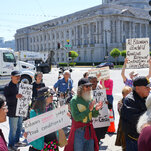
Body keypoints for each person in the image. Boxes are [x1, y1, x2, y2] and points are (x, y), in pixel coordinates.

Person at [64, 78, 103, 151]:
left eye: (90, 86)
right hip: (78, 132)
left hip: (89, 131)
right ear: (81, 88)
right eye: (87, 86)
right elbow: (76, 118)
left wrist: (96, 110)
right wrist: (89, 110)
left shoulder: (90, 98)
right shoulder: (74, 100)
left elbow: (94, 115)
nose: (89, 88)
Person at [121, 76, 151, 151]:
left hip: (143, 138)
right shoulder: (129, 100)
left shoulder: (146, 97)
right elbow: (139, 119)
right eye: (146, 87)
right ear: (137, 88)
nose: (149, 89)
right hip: (134, 140)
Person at [29, 87, 58, 151]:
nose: (52, 97)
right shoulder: (34, 112)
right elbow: (33, 129)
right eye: (50, 95)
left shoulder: (53, 107)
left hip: (52, 141)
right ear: (44, 98)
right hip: (41, 143)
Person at [4, 70, 24, 151]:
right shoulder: (7, 86)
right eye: (16, 76)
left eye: (19, 76)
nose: (18, 78)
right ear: (11, 77)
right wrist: (15, 97)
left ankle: (17, 141)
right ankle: (11, 145)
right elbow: (6, 99)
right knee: (13, 129)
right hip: (13, 111)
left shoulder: (20, 85)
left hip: (21, 110)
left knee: (19, 127)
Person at [89, 76, 108, 145]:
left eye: (96, 81)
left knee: (98, 137)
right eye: (93, 81)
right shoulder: (87, 90)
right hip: (90, 118)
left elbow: (104, 98)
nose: (95, 83)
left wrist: (106, 102)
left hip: (100, 117)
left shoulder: (99, 89)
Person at [115, 86, 132, 151]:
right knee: (125, 145)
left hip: (132, 127)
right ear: (123, 94)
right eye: (128, 93)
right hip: (124, 126)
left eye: (131, 93)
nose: (130, 95)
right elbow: (121, 112)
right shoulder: (121, 102)